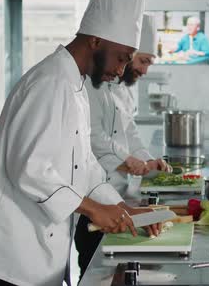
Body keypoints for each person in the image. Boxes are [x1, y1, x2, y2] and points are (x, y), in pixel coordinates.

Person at [0, 0, 159, 286]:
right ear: (95, 41)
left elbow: (84, 162)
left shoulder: (75, 83)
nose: (121, 70)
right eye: (122, 57)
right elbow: (29, 168)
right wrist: (93, 209)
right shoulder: (50, 82)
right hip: (15, 245)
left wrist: (119, 206)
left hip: (40, 242)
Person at [75, 14, 172, 278]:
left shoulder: (121, 88)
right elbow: (92, 139)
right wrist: (128, 161)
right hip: (95, 205)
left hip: (113, 197)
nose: (143, 70)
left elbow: (129, 133)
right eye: (141, 61)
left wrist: (148, 161)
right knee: (97, 273)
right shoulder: (87, 86)